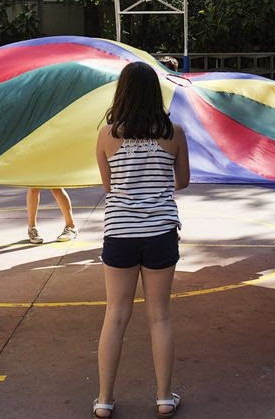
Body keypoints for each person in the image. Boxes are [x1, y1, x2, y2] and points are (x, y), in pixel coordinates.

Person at [93, 62, 190, 419]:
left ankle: (104, 399)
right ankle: (164, 397)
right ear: (155, 92)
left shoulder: (106, 134)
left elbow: (108, 187)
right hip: (161, 232)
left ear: (122, 92)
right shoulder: (174, 132)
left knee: (115, 315)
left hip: (119, 232)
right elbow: (182, 182)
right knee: (160, 317)